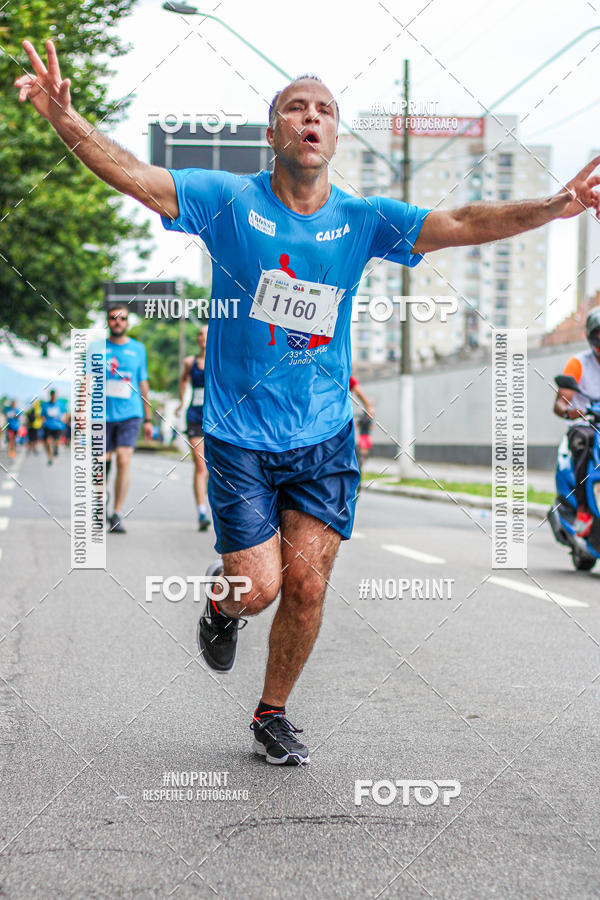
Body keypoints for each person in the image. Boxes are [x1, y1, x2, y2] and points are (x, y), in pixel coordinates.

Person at [17, 39, 600, 765]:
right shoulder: (228, 202)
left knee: (306, 584)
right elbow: (135, 176)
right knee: (257, 587)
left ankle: (271, 712)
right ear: (274, 133)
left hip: (323, 433)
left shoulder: (362, 219)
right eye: (297, 108)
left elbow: (467, 223)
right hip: (239, 432)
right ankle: (221, 605)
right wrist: (61, 116)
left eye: (325, 110)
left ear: (334, 135)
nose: (312, 118)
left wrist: (556, 205)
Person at [103, 304, 153, 534]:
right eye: (114, 318)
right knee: (102, 463)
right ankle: (102, 496)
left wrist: (149, 418)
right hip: (101, 415)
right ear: (108, 321)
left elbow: (143, 383)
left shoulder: (138, 349)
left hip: (130, 414)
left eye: (122, 318)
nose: (118, 322)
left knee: (123, 459)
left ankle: (117, 512)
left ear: (127, 323)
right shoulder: (97, 348)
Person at [553, 306, 600, 537]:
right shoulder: (578, 363)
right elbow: (560, 404)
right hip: (584, 425)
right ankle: (582, 508)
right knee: (585, 439)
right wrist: (571, 411)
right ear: (591, 336)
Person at [176, 325, 211, 532]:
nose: (203, 338)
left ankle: (217, 508)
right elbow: (183, 381)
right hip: (196, 417)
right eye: (200, 334)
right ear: (197, 339)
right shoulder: (190, 362)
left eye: (208, 334)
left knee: (216, 469)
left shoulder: (220, 360)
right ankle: (201, 512)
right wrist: (181, 401)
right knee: (200, 467)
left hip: (217, 419)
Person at [41, 390, 64, 464]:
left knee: (56, 441)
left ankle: (56, 448)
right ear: (50, 396)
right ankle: (50, 458)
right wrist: (43, 420)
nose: (53, 397)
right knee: (47, 442)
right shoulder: (45, 405)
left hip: (57, 426)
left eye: (54, 395)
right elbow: (42, 415)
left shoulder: (60, 404)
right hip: (48, 426)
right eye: (52, 395)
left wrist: (63, 419)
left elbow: (65, 413)